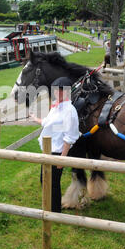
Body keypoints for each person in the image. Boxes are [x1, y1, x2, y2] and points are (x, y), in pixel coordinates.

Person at [30, 77, 80, 213]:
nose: (58, 93)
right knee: (44, 180)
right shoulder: (56, 107)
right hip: (47, 150)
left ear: (68, 92)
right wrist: (35, 118)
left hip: (57, 152)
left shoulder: (70, 111)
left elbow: (69, 137)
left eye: (61, 91)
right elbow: (47, 123)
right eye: (56, 90)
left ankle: (54, 211)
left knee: (52, 183)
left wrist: (62, 158)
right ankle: (50, 207)